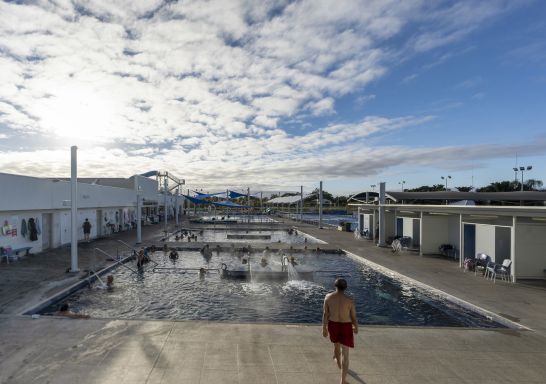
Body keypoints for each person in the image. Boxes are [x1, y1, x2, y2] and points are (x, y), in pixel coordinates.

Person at [322, 278, 358, 384]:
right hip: (346, 326)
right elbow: (353, 317)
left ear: (335, 286)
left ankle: (338, 362)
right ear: (345, 288)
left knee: (336, 346)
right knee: (345, 353)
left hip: (333, 325)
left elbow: (325, 314)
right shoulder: (349, 300)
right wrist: (356, 327)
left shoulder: (328, 297)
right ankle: (342, 380)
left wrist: (324, 328)